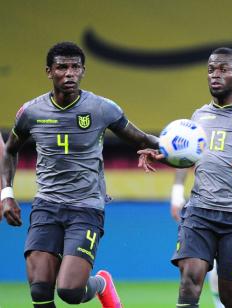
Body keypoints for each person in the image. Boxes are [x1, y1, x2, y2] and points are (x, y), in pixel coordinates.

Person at [0, 42, 160, 308]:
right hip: (46, 206)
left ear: (83, 71)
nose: (69, 73)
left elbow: (141, 138)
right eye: (62, 67)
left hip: (86, 208)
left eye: (75, 67)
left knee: (70, 292)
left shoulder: (101, 108)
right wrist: (6, 194)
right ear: (49, 71)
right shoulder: (31, 112)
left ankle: (102, 283)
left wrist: (173, 148)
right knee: (40, 290)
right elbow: (10, 150)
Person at [139, 48, 232, 308]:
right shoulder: (198, 117)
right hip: (200, 212)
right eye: (211, 70)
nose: (215, 75)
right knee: (189, 280)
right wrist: (165, 154)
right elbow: (189, 157)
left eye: (223, 70)